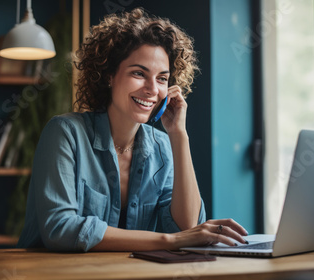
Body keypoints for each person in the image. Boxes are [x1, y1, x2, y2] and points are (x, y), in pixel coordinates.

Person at [17, 7, 248, 252]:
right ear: (108, 76)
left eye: (162, 78)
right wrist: (169, 241)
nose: (152, 89)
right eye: (139, 73)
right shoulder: (65, 133)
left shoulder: (162, 146)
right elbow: (60, 229)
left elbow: (187, 227)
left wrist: (179, 136)